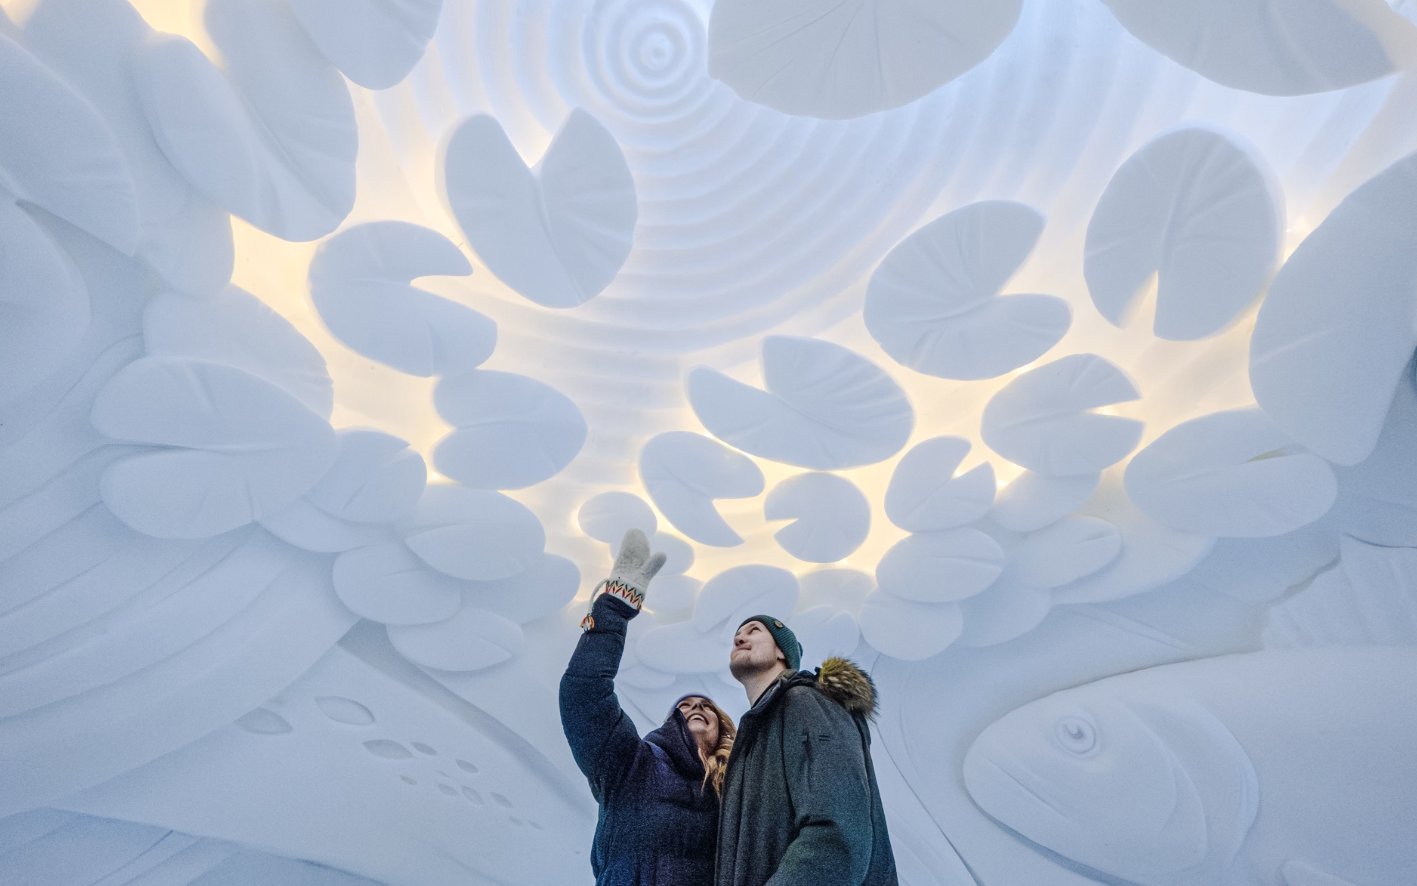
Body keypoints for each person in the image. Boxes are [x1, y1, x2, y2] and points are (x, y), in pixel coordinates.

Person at [560, 529, 737, 886]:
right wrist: (613, 608)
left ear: (723, 726)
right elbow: (584, 693)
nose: (696, 706)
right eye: (685, 706)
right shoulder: (632, 763)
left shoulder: (738, 787)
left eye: (706, 706)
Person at [715, 615, 897, 885]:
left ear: (781, 651)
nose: (740, 638)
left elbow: (836, 833)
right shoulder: (757, 733)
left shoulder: (804, 700)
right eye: (737, 636)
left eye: (754, 631)